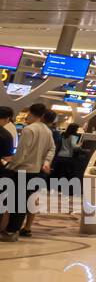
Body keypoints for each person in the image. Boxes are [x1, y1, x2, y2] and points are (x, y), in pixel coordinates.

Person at [0, 102, 54, 240]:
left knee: (12, 201)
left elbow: (22, 153)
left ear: (30, 113)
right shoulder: (47, 130)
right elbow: (52, 149)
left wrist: (11, 166)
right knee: (22, 203)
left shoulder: (29, 129)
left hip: (21, 170)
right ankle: (13, 231)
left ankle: (9, 231)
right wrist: (46, 163)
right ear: (43, 115)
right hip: (35, 171)